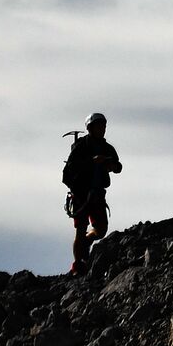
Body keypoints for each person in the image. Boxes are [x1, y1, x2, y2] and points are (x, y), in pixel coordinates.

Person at [62, 112, 122, 276]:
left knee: (101, 230)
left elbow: (118, 167)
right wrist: (92, 162)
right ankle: (78, 266)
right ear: (90, 128)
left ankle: (87, 242)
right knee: (80, 230)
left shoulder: (107, 148)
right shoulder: (81, 146)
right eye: (98, 126)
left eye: (103, 126)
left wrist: (112, 165)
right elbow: (70, 168)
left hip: (97, 193)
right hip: (81, 194)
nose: (102, 129)